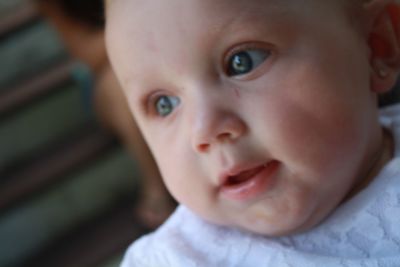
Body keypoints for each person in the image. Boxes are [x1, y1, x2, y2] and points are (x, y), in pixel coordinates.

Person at [105, 0, 400, 265]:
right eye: (165, 104)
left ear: (376, 46)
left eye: (242, 62)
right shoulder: (176, 259)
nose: (203, 130)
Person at [36, 0, 175, 228]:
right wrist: (145, 25)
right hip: (107, 77)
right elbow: (89, 55)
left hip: (162, 55)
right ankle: (156, 186)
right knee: (119, 85)